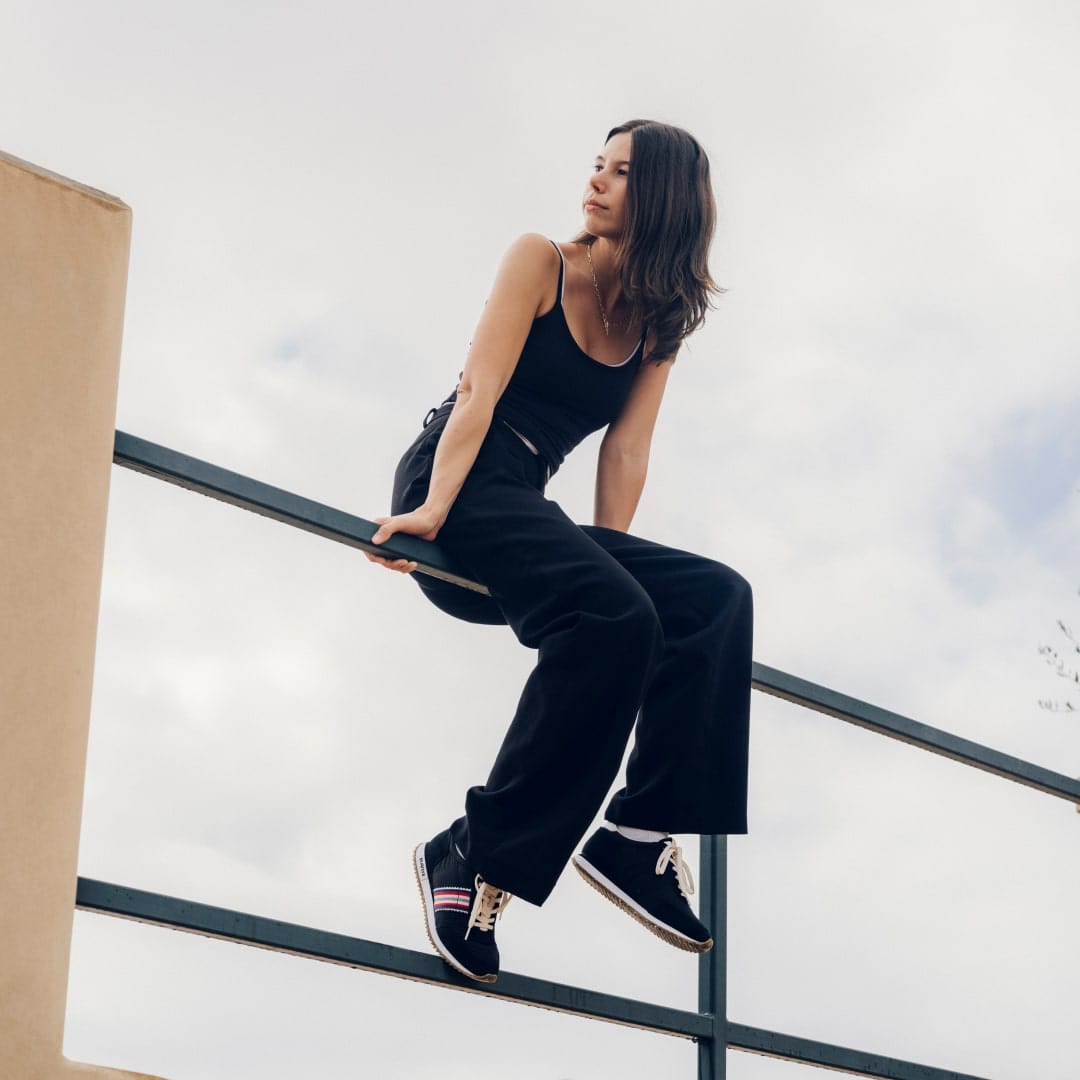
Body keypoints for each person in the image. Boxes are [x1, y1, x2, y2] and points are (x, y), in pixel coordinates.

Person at [367, 119, 752, 984]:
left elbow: (626, 453)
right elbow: (479, 388)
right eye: (597, 166)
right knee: (619, 613)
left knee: (714, 599)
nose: (596, 183)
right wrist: (430, 509)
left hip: (525, 505)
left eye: (621, 174)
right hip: (458, 481)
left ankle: (638, 834)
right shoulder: (541, 259)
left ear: (663, 200)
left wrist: (610, 568)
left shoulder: (660, 322)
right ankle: (475, 856)